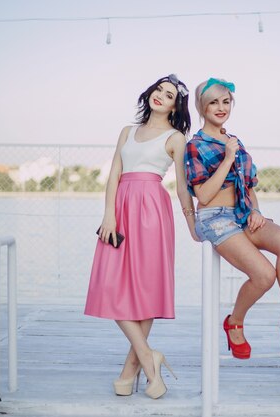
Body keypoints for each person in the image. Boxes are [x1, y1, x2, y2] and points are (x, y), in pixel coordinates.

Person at [84, 74, 198, 399]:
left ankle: (130, 370)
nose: (161, 96)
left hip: (152, 212)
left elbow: (181, 186)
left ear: (177, 106)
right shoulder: (127, 131)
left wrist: (191, 224)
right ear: (150, 93)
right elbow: (114, 175)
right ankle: (150, 358)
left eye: (170, 94)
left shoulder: (176, 138)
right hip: (120, 209)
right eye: (159, 89)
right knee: (109, 286)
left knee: (146, 290)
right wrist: (109, 214)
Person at [185, 77, 280, 362]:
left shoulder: (235, 141)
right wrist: (228, 159)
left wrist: (256, 210)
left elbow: (249, 187)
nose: (221, 108)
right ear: (202, 107)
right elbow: (203, 195)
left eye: (226, 102)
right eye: (214, 102)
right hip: (214, 218)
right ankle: (234, 322)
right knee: (265, 275)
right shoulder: (195, 145)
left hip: (244, 214)